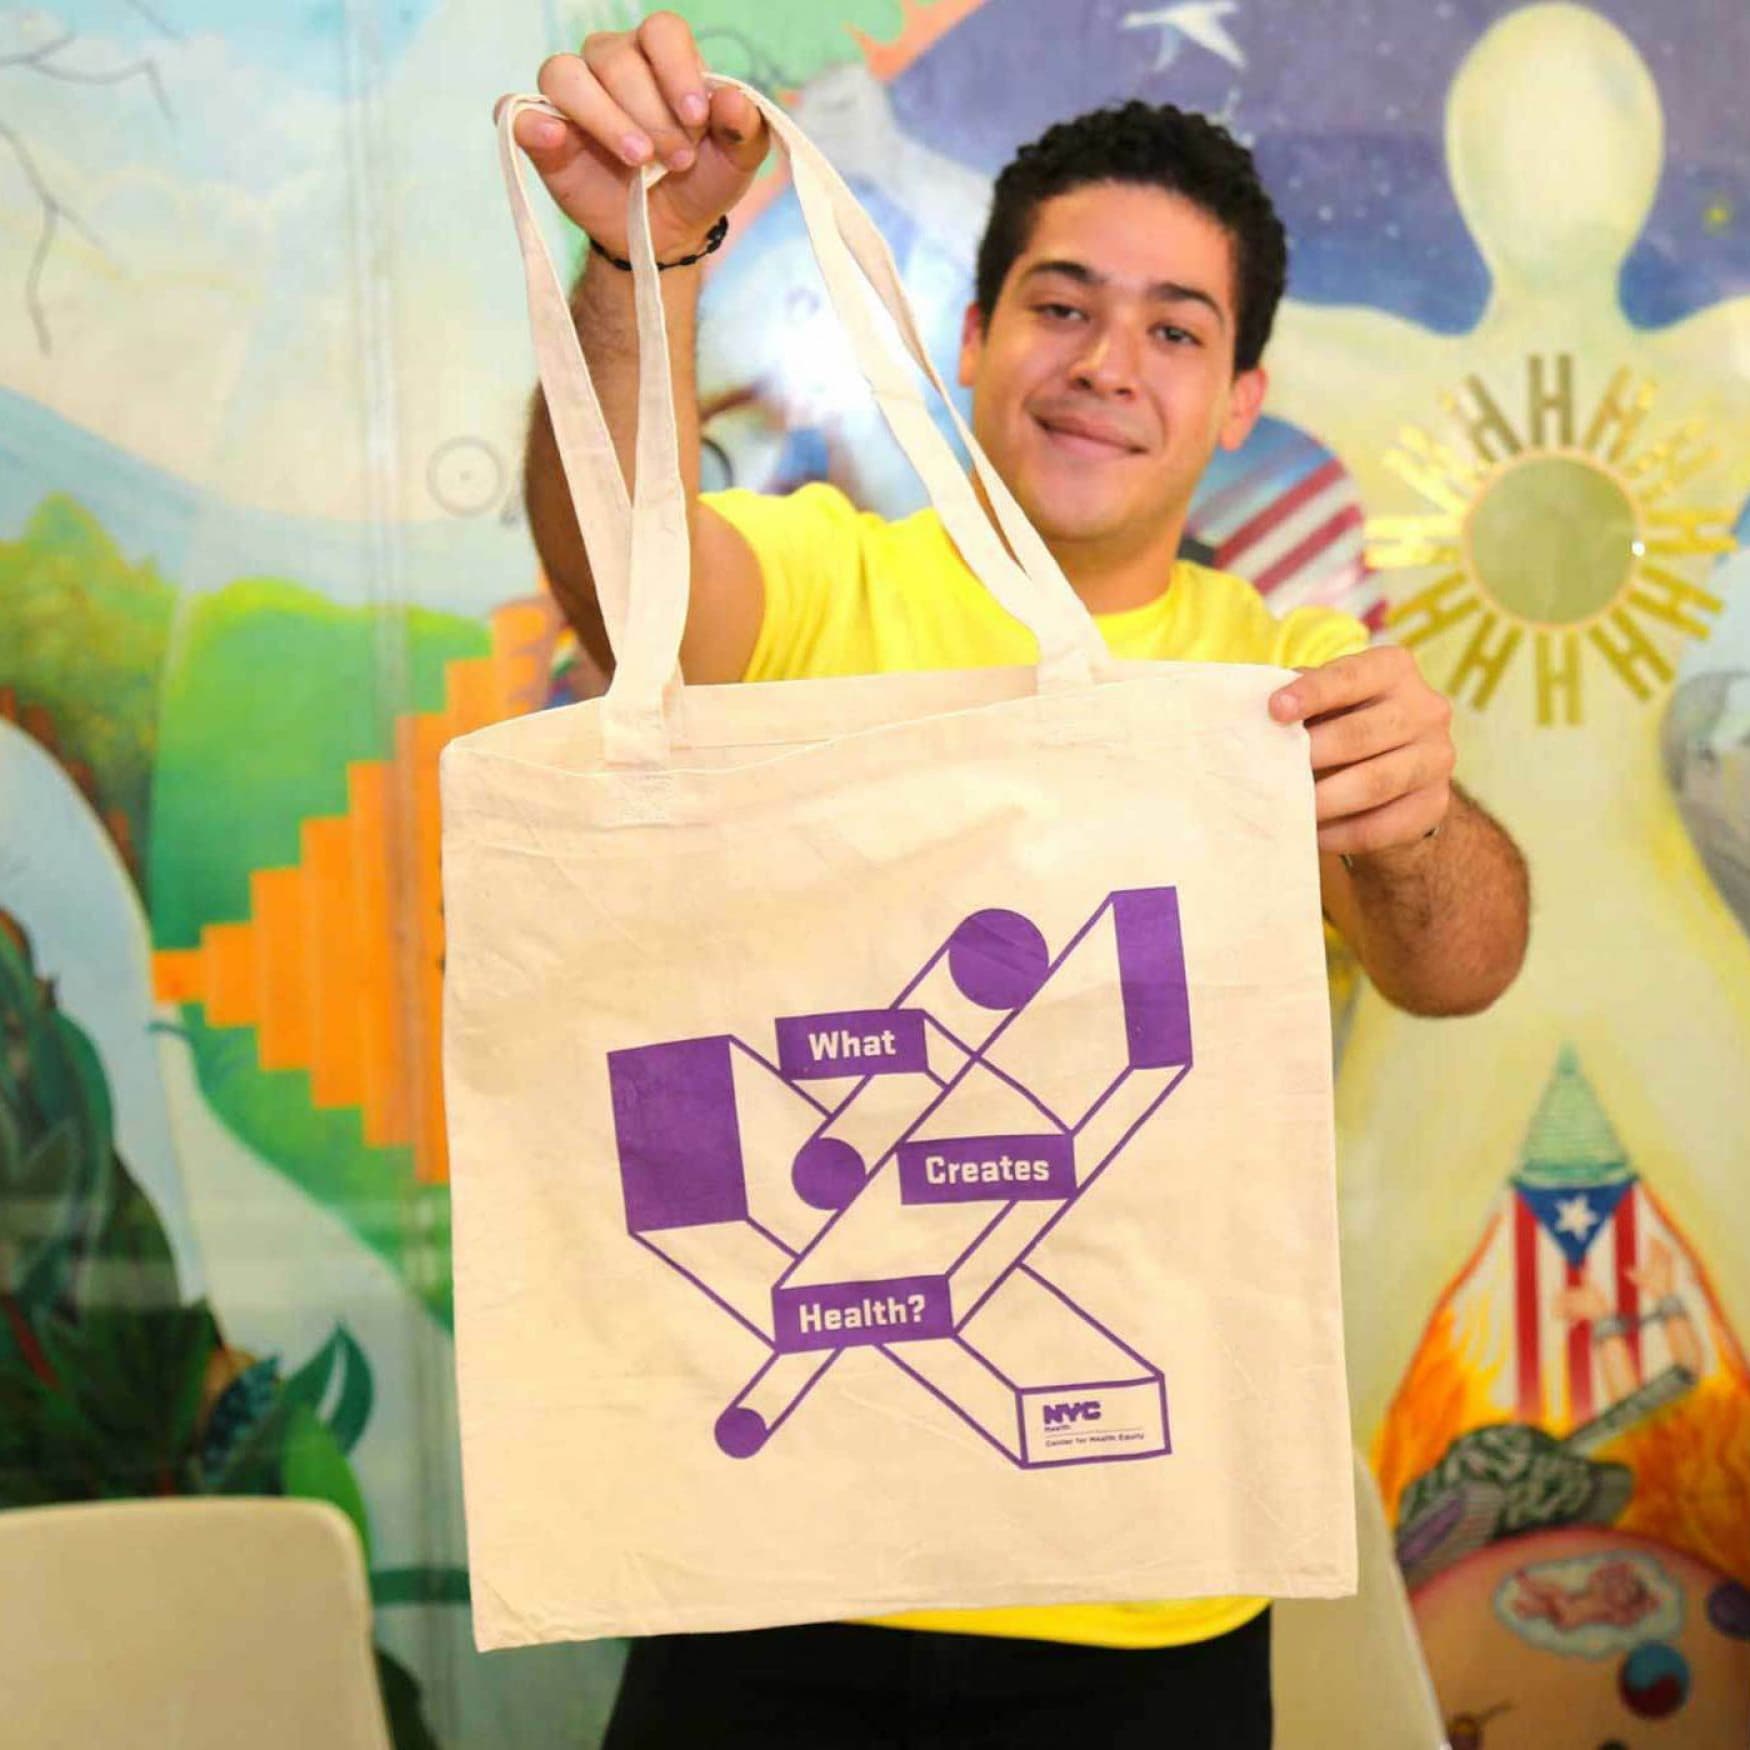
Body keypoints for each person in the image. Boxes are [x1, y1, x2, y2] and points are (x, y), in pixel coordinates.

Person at [515, 13, 1531, 1744]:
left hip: (1140, 1590)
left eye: (1174, 327)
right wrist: (640, 253)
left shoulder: (1277, 672)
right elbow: (629, 572)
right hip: (771, 1561)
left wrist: (1411, 815)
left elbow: (1457, 962)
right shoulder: (828, 585)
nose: (1105, 361)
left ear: (1240, 398)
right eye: (1060, 305)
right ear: (974, 337)